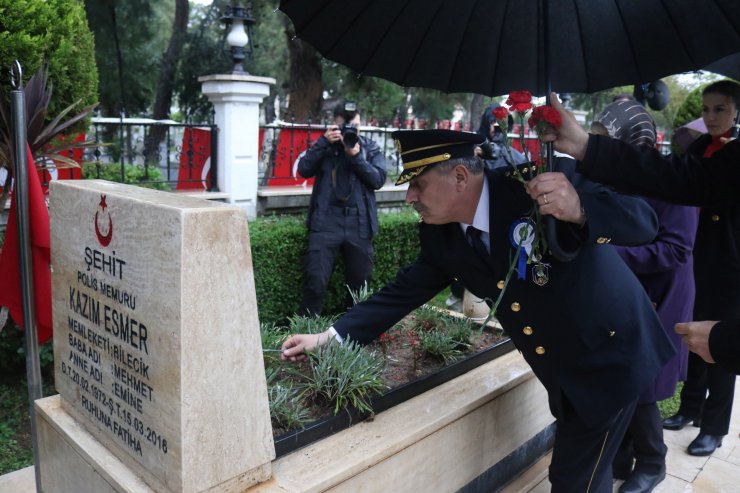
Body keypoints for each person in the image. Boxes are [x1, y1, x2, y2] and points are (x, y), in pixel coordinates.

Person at [282, 129, 676, 492]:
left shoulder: (534, 187)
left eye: (417, 184)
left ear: (458, 176)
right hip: (567, 367)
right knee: (588, 472)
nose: (409, 197)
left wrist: (580, 208)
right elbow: (403, 291)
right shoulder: (443, 234)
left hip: (610, 354)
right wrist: (329, 337)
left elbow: (644, 222)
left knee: (575, 478)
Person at [530, 91, 740, 375]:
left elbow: (669, 242)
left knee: (646, 387)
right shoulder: (608, 174)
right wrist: (586, 147)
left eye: (607, 138)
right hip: (621, 301)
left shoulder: (664, 187)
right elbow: (696, 177)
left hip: (661, 292)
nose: (710, 117)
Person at [591, 101, 697, 492]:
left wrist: (606, 251)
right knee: (623, 374)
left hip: (661, 291)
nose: (599, 149)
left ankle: (653, 462)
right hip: (624, 287)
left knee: (643, 381)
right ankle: (623, 454)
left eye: (605, 141)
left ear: (630, 137)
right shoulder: (618, 177)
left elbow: (676, 250)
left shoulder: (671, 179)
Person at [659, 81, 740, 458]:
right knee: (692, 336)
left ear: (736, 112)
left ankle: (714, 427)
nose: (711, 116)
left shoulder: (736, 154)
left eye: (720, 109)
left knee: (721, 342)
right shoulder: (694, 149)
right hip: (693, 256)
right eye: (706, 109)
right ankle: (689, 407)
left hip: (729, 262)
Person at [297, 101, 387, 315]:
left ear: (360, 124)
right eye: (344, 126)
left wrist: (355, 156)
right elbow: (303, 169)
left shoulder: (369, 147)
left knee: (359, 287)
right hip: (326, 222)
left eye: (353, 126)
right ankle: (305, 335)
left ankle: (354, 335)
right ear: (334, 124)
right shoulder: (325, 147)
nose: (349, 131)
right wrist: (323, 143)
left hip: (359, 223)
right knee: (315, 283)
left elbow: (378, 179)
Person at [446, 104, 529, 311]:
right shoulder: (470, 152)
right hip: (471, 222)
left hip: (504, 224)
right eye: (492, 121)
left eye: (500, 121)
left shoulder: (514, 154)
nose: (496, 126)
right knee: (467, 273)